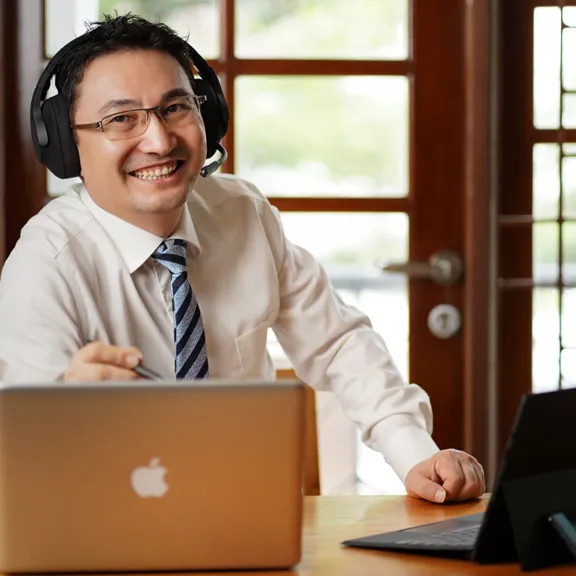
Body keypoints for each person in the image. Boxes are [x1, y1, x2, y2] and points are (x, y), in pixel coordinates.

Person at [0, 13, 484, 504]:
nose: (159, 141)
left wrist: (414, 453)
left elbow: (338, 343)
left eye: (175, 107)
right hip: (110, 524)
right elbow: (27, 468)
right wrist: (60, 419)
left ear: (206, 117)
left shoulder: (242, 213)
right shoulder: (45, 265)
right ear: (65, 143)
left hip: (252, 513)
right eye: (121, 119)